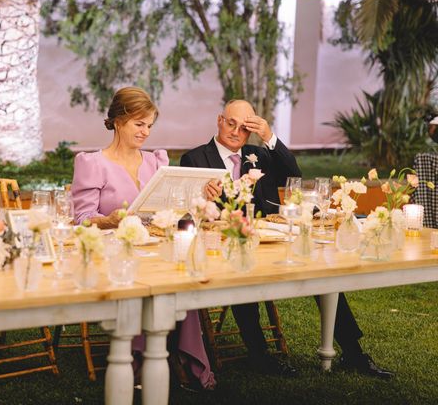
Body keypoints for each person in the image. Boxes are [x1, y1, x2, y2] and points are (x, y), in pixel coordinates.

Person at [181, 99, 394, 379]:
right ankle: (260, 356)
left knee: (323, 271)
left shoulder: (259, 153)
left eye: (244, 128)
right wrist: (203, 194)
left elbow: (294, 174)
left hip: (273, 237)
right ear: (220, 120)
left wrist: (269, 137)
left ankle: (353, 352)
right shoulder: (194, 158)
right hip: (227, 242)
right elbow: (188, 205)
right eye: (230, 123)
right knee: (243, 274)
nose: (235, 132)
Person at [71, 86, 216, 391]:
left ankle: (183, 357)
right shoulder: (92, 163)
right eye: (139, 124)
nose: (146, 132)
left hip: (154, 247)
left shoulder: (156, 162)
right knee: (145, 276)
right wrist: (107, 221)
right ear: (119, 121)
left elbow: (174, 208)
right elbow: (82, 221)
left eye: (150, 125)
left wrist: (200, 195)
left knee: (181, 274)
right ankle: (141, 361)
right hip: (113, 252)